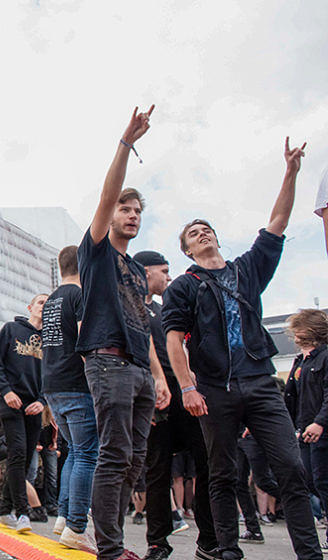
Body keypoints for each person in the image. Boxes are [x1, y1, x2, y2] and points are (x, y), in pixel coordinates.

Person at [163, 138, 322, 560]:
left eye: (207, 229)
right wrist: (187, 388)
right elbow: (173, 338)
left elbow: (277, 223)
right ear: (188, 250)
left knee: (290, 467)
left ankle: (309, 552)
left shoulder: (247, 269)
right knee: (222, 472)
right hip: (214, 389)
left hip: (260, 383)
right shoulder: (185, 286)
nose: (203, 234)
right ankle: (228, 550)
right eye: (194, 234)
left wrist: (290, 172)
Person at [76, 105, 170, 560]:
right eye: (123, 208)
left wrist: (161, 377)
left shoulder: (136, 269)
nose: (131, 215)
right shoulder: (95, 252)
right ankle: (109, 549)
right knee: (114, 456)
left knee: (134, 460)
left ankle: (110, 541)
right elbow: (105, 195)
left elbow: (146, 326)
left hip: (137, 369)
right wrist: (126, 144)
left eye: (136, 211)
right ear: (109, 214)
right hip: (107, 362)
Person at [132, 250, 217, 560]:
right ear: (144, 272)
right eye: (163, 271)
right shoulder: (130, 309)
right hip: (157, 399)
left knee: (206, 463)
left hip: (187, 393)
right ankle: (157, 543)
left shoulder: (168, 308)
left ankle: (209, 540)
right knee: (157, 471)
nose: (169, 277)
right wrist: (148, 395)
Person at [41, 245, 97, 552]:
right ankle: (77, 526)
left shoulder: (51, 300)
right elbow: (86, 340)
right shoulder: (79, 295)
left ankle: (64, 518)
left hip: (53, 384)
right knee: (87, 453)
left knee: (75, 452)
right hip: (77, 384)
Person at [0, 294, 48, 533]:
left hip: (34, 405)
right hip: (10, 400)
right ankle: (22, 513)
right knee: (17, 453)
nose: (44, 307)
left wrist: (43, 401)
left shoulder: (51, 341)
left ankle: (4, 510)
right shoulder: (11, 329)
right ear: (30, 307)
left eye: (48, 304)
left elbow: (53, 373)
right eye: (41, 303)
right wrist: (5, 391)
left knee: (25, 458)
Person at [284, 309, 328, 550]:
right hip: (304, 431)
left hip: (322, 431)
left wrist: (320, 422)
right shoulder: (301, 361)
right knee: (311, 481)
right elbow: (290, 398)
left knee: (323, 481)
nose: (294, 333)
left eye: (298, 328)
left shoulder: (325, 357)